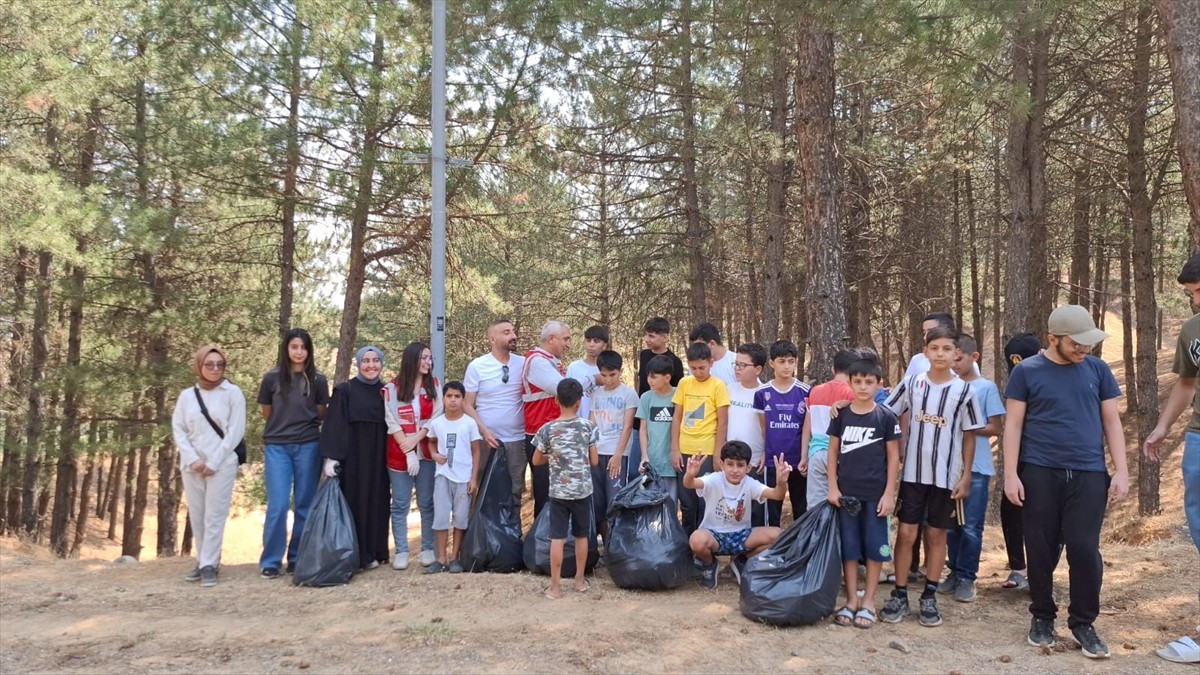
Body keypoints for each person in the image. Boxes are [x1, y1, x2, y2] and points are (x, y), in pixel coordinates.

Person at [1003, 304, 1129, 659]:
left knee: (1084, 549)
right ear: (1053, 339)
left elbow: (1112, 423)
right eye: (1076, 343)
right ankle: (1042, 617)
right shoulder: (1026, 372)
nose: (1083, 350)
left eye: (1088, 343)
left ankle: (1083, 623)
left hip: (1089, 473)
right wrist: (1011, 474)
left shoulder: (1098, 370)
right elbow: (1013, 425)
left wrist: (1120, 470)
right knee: (1040, 549)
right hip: (1039, 470)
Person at [880, 325, 982, 628]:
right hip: (913, 474)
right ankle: (900, 593)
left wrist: (965, 476)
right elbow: (883, 411)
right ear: (925, 352)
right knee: (907, 533)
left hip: (946, 477)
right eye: (934, 348)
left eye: (947, 349)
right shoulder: (912, 383)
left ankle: (930, 595)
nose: (940, 354)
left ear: (956, 354)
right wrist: (846, 404)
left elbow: (969, 436)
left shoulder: (965, 390)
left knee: (937, 534)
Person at [1144, 254, 1200, 665]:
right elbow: (1186, 382)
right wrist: (1164, 426)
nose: (1194, 301)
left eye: (1198, 292)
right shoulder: (1193, 329)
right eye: (1190, 294)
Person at [826, 358, 900, 629]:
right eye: (857, 381)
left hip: (875, 496)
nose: (863, 387)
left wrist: (889, 493)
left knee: (875, 548)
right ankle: (851, 601)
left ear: (879, 384)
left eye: (869, 382)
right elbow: (832, 453)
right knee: (849, 548)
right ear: (850, 383)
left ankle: (868, 600)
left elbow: (893, 458)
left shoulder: (886, 417)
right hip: (847, 496)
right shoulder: (841, 415)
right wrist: (833, 487)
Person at [256, 328, 329, 579]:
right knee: (277, 505)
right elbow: (267, 412)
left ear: (309, 351)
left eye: (303, 347)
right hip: (277, 447)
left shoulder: (318, 380)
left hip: (308, 445)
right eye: (294, 347)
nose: (299, 352)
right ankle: (271, 561)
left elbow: (320, 413)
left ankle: (298, 557)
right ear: (286, 349)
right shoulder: (272, 378)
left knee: (305, 504)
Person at [173, 345, 246, 588]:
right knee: (198, 514)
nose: (215, 369)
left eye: (219, 365)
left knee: (214, 515)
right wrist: (193, 458)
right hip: (192, 464)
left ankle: (209, 564)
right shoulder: (187, 396)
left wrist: (214, 461)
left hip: (222, 463)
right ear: (199, 366)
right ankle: (203, 559)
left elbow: (235, 431)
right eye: (209, 364)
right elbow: (179, 429)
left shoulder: (232, 393)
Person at [938, 334, 1004, 603]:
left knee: (971, 526)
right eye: (951, 358)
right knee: (951, 525)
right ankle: (954, 571)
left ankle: (968, 577)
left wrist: (967, 426)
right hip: (947, 467)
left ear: (973, 357)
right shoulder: (944, 387)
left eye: (959, 359)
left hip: (976, 467)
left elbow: (996, 427)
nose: (954, 364)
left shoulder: (985, 388)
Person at [684, 441, 791, 590]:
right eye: (730, 464)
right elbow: (689, 484)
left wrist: (781, 483)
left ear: (748, 467)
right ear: (722, 464)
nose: (735, 470)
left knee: (778, 535)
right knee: (696, 539)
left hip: (741, 536)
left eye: (740, 465)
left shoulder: (750, 483)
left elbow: (777, 495)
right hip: (714, 536)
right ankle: (709, 565)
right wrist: (690, 474)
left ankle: (741, 562)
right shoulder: (714, 479)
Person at [320, 346, 391, 570]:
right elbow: (335, 425)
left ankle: (373, 552)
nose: (371, 365)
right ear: (358, 363)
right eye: (366, 361)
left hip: (379, 458)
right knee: (354, 501)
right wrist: (331, 457)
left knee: (377, 501)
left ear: (381, 363)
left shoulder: (387, 391)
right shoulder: (345, 390)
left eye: (376, 360)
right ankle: (352, 553)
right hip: (353, 459)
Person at [531, 378, 600, 599]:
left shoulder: (547, 429)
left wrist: (554, 457)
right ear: (580, 402)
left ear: (556, 400)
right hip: (582, 490)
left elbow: (536, 460)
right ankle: (579, 581)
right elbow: (595, 461)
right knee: (581, 536)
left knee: (557, 538)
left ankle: (555, 587)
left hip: (558, 492)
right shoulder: (588, 427)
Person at [523, 321, 597, 519]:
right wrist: (592, 379)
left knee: (560, 493)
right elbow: (563, 390)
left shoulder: (551, 361)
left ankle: (559, 539)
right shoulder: (537, 361)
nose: (569, 344)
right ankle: (543, 541)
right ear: (551, 339)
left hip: (556, 433)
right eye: (566, 339)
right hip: (542, 435)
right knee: (546, 493)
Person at [383, 342, 443, 569]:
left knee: (427, 502)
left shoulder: (435, 386)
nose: (428, 362)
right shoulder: (392, 389)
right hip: (399, 456)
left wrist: (416, 442)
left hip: (426, 453)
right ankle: (401, 551)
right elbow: (391, 421)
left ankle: (428, 548)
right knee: (400, 504)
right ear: (412, 360)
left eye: (430, 358)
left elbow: (435, 418)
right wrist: (407, 450)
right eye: (424, 358)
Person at [463, 319, 527, 508]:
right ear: (492, 339)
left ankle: (512, 536)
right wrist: (484, 431)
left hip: (517, 440)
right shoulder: (477, 366)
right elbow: (467, 404)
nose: (513, 336)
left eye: (513, 331)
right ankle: (479, 536)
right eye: (506, 332)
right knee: (483, 491)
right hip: (487, 441)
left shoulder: (523, 363)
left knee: (515, 492)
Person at [671, 342, 731, 535]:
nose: (697, 372)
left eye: (702, 368)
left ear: (711, 363)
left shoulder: (718, 386)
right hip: (685, 449)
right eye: (693, 368)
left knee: (704, 499)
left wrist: (717, 454)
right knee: (687, 502)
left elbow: (722, 422)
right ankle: (688, 543)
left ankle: (706, 543)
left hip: (706, 450)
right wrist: (675, 449)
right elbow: (677, 416)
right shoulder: (684, 383)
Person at [424, 382, 481, 574]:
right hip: (443, 475)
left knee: (460, 518)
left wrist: (473, 479)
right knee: (441, 517)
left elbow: (476, 451)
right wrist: (433, 454)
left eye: (457, 396)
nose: (453, 400)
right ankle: (441, 557)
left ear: (463, 400)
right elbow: (431, 442)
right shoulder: (437, 423)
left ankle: (455, 557)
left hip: (463, 477)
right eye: (449, 396)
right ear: (443, 398)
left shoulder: (469, 423)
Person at [999, 332, 1041, 591]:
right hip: (1022, 455)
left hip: (1048, 456)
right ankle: (1019, 568)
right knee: (1011, 508)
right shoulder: (1018, 378)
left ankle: (1040, 571)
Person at [752, 340, 810, 526]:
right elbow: (764, 428)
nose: (787, 366)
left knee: (801, 508)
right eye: (782, 361)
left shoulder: (805, 392)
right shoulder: (762, 393)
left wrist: (804, 456)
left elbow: (807, 428)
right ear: (772, 363)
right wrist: (765, 452)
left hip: (798, 462)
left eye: (791, 361)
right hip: (773, 461)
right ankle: (772, 550)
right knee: (772, 510)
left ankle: (800, 550)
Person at [588, 350, 638, 542]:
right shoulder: (596, 394)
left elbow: (627, 427)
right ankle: (604, 543)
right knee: (597, 500)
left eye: (612, 375)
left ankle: (617, 544)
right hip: (596, 453)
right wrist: (588, 450)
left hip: (617, 454)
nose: (608, 380)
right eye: (604, 375)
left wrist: (618, 455)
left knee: (615, 499)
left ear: (620, 371)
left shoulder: (628, 393)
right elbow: (591, 424)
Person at [801, 349, 856, 511]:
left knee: (815, 508)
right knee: (843, 505)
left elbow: (807, 427)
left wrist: (803, 456)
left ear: (833, 369)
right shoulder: (853, 394)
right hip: (842, 455)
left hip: (816, 454)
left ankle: (818, 536)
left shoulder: (815, 391)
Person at [633, 317, 685, 479]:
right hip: (643, 417)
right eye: (646, 335)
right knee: (641, 470)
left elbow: (678, 395)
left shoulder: (675, 362)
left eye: (651, 336)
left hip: (666, 421)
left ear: (664, 337)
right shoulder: (644, 355)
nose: (647, 340)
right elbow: (641, 384)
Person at [636, 354, 679, 501]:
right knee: (651, 506)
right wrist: (644, 455)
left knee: (670, 504)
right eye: (648, 376)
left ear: (667, 378)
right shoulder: (646, 397)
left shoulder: (678, 395)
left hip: (672, 463)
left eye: (654, 377)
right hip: (652, 462)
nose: (649, 380)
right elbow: (643, 429)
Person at [568, 325, 609, 421]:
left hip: (603, 424)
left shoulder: (608, 369)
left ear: (604, 345)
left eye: (596, 341)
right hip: (579, 423)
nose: (591, 344)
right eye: (588, 340)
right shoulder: (574, 367)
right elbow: (567, 396)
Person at [689, 322, 738, 387]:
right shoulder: (696, 364)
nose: (698, 350)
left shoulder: (736, 362)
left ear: (712, 344)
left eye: (700, 346)